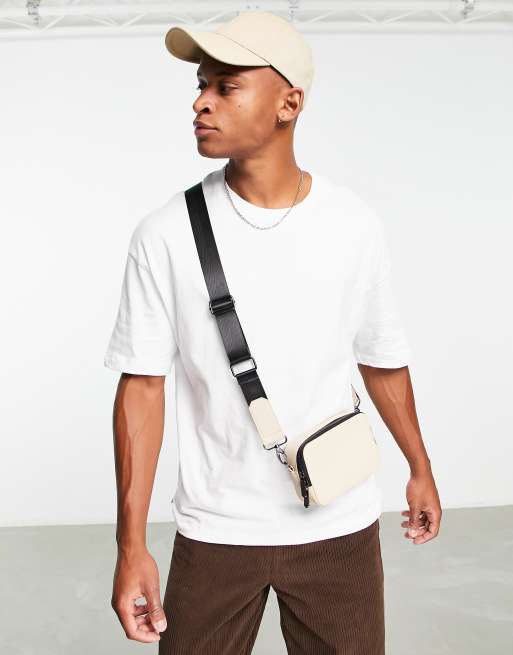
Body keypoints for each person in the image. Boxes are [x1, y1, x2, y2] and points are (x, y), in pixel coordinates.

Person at [105, 10, 442, 654]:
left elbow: (381, 359)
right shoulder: (165, 234)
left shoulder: (352, 225)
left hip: (338, 523)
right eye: (201, 85)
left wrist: (419, 467)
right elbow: (142, 388)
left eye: (226, 86)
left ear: (289, 103)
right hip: (216, 531)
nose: (201, 102)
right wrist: (131, 545)